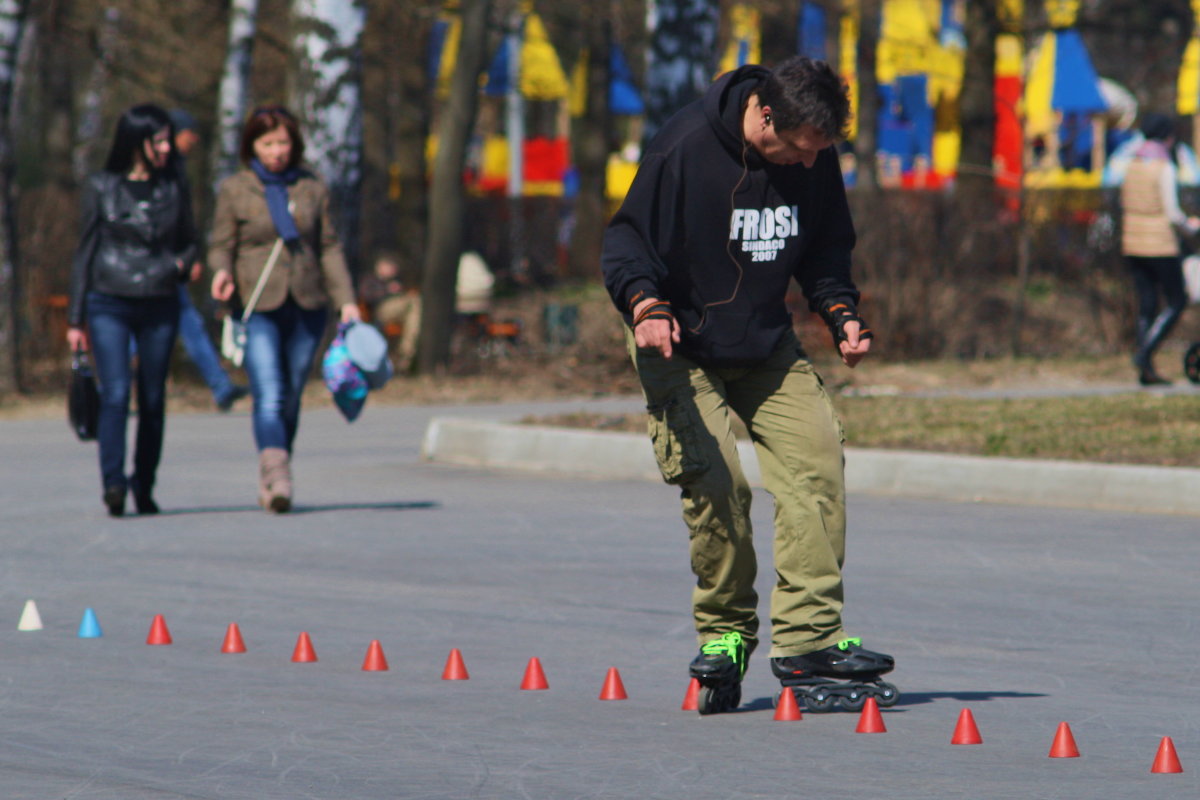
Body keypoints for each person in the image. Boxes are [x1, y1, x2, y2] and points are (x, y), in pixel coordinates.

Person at [601, 57, 896, 714]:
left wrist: (841, 315)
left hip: (762, 340)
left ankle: (809, 639)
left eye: (814, 152)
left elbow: (825, 251)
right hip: (677, 339)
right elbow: (626, 246)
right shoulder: (683, 148)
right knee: (718, 484)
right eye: (794, 149)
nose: (802, 163)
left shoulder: (813, 155)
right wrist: (647, 309)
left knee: (817, 459)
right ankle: (727, 636)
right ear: (764, 114)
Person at [208, 105, 358, 512]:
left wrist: (346, 301)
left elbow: (327, 246)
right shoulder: (236, 189)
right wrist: (220, 273)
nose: (276, 151)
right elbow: (221, 245)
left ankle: (274, 465)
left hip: (307, 301)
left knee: (290, 392)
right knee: (269, 392)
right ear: (252, 146)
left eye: (283, 142)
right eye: (267, 143)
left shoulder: (312, 187)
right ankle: (278, 475)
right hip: (257, 301)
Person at [66, 104, 197, 517]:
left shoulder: (175, 184)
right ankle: (114, 484)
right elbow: (85, 249)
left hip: (159, 300)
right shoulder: (103, 186)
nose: (165, 147)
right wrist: (75, 317)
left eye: (166, 139)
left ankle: (144, 483)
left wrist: (180, 264)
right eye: (157, 139)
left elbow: (190, 239)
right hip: (109, 300)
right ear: (135, 140)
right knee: (117, 392)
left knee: (154, 397)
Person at [167, 108, 248, 411]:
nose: (195, 139)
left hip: (175, 263)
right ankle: (108, 388)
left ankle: (220, 385)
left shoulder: (177, 168)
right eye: (190, 132)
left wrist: (190, 255)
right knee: (143, 331)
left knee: (190, 325)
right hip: (157, 266)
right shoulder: (164, 170)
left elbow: (184, 220)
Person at [1118, 112, 1200, 385]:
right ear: (1168, 136)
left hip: (1131, 242)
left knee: (1147, 304)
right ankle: (1145, 353)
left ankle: (1146, 370)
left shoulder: (1132, 163)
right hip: (1159, 244)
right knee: (1176, 300)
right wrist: (1192, 227)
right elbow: (1173, 213)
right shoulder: (1163, 167)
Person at [358, 252, 421, 374]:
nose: (392, 269)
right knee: (414, 301)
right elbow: (366, 296)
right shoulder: (371, 280)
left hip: (398, 314)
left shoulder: (397, 281)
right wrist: (387, 290)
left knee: (414, 314)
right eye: (389, 266)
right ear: (380, 267)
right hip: (379, 311)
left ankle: (406, 354)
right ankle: (406, 353)